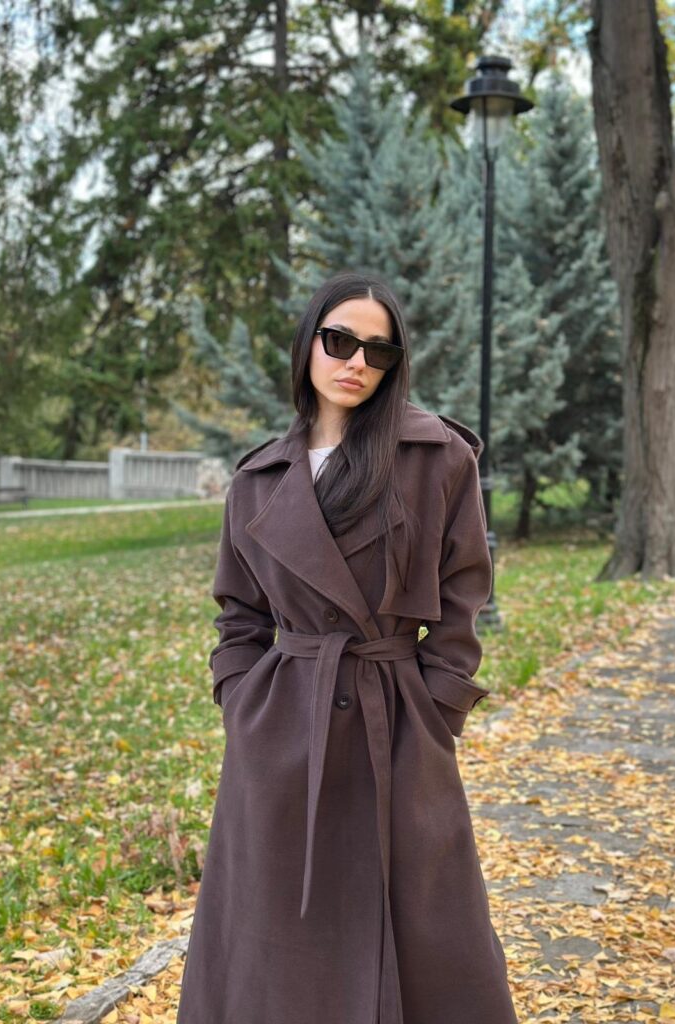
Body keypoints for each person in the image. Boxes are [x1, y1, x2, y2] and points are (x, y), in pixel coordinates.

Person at [175, 270, 517, 1024]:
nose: (357, 362)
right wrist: (243, 704)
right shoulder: (259, 478)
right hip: (281, 733)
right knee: (278, 934)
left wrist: (436, 711)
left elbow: (463, 597)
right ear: (308, 345)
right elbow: (239, 615)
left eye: (378, 351)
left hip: (397, 723)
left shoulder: (436, 458)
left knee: (426, 928)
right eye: (339, 341)